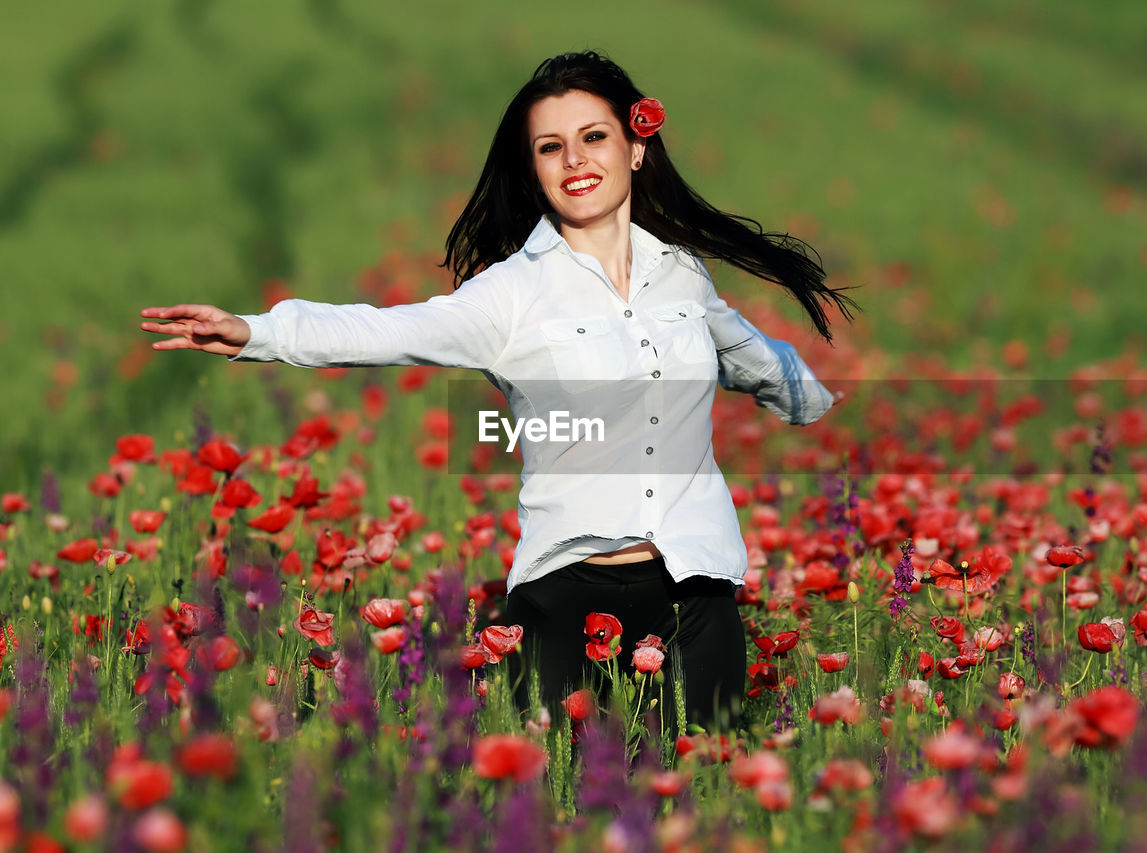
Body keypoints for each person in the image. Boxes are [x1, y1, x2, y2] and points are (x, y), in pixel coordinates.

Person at [141, 51, 855, 731]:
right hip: (564, 595)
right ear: (533, 168)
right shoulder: (513, 293)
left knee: (703, 788)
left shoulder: (683, 275)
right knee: (554, 799)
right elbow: (389, 330)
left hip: (695, 595)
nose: (575, 160)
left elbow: (748, 353)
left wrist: (812, 401)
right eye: (551, 147)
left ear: (636, 147)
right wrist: (255, 332)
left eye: (593, 136)